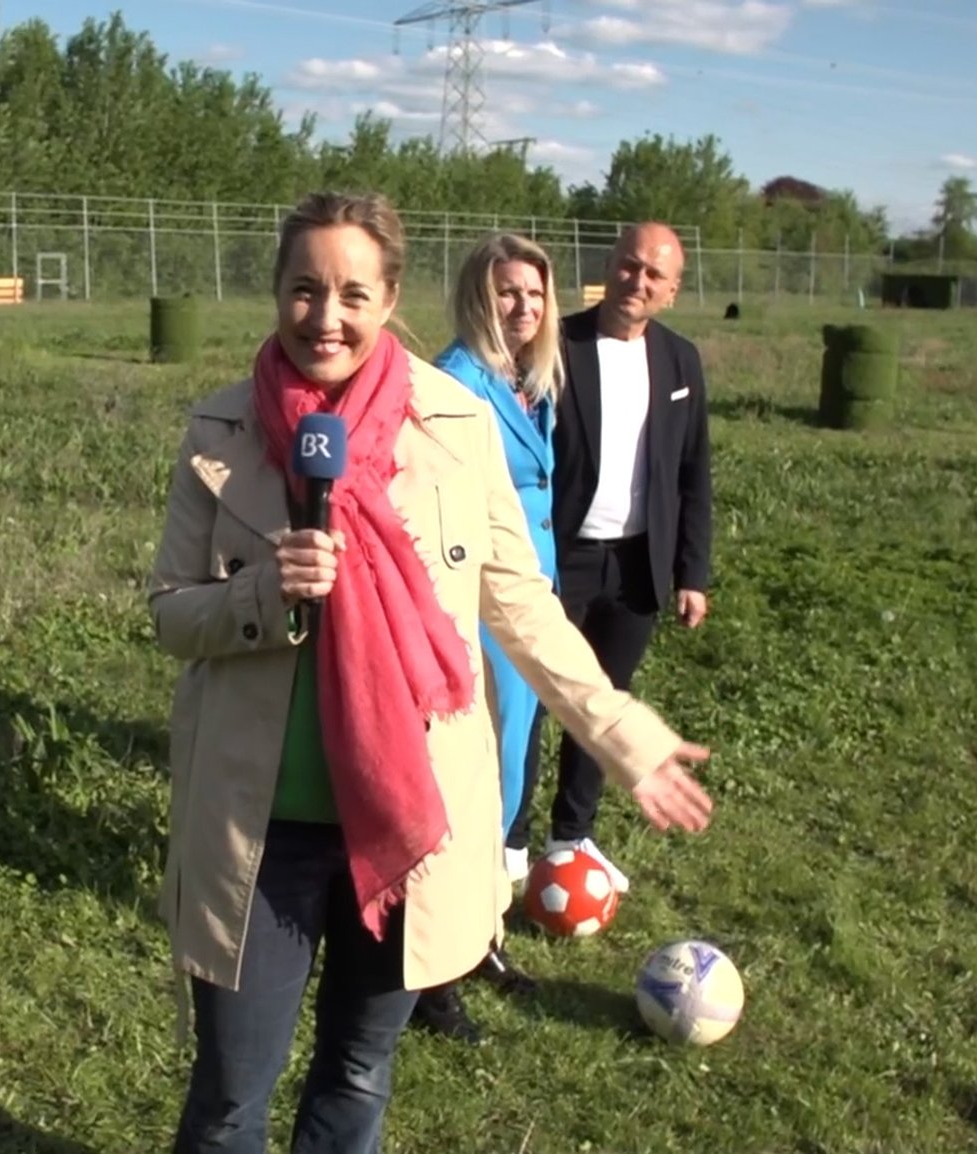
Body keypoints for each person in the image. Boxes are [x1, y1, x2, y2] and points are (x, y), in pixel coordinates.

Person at [145, 191, 714, 1154]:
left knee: (358, 1075)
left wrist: (621, 734)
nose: (326, 317)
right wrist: (260, 598)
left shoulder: (454, 423)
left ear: (391, 295)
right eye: (304, 290)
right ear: (276, 293)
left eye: (352, 293)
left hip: (408, 824)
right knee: (232, 1094)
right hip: (260, 830)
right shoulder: (221, 430)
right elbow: (169, 615)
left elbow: (523, 604)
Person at [512, 221, 715, 895]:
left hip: (635, 566)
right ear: (610, 265)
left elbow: (694, 473)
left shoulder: (681, 361)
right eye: (629, 267)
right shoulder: (557, 345)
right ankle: (509, 840)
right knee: (535, 698)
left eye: (654, 276)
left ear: (673, 290)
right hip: (557, 557)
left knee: (606, 702)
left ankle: (572, 837)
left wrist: (692, 572)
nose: (638, 282)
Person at [405, 232, 565, 1044]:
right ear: (478, 295)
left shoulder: (532, 382)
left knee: (506, 783)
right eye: (508, 292)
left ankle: (481, 936)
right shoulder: (451, 383)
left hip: (527, 599)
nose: (523, 307)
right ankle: (435, 969)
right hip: (475, 605)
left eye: (535, 295)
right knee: (468, 789)